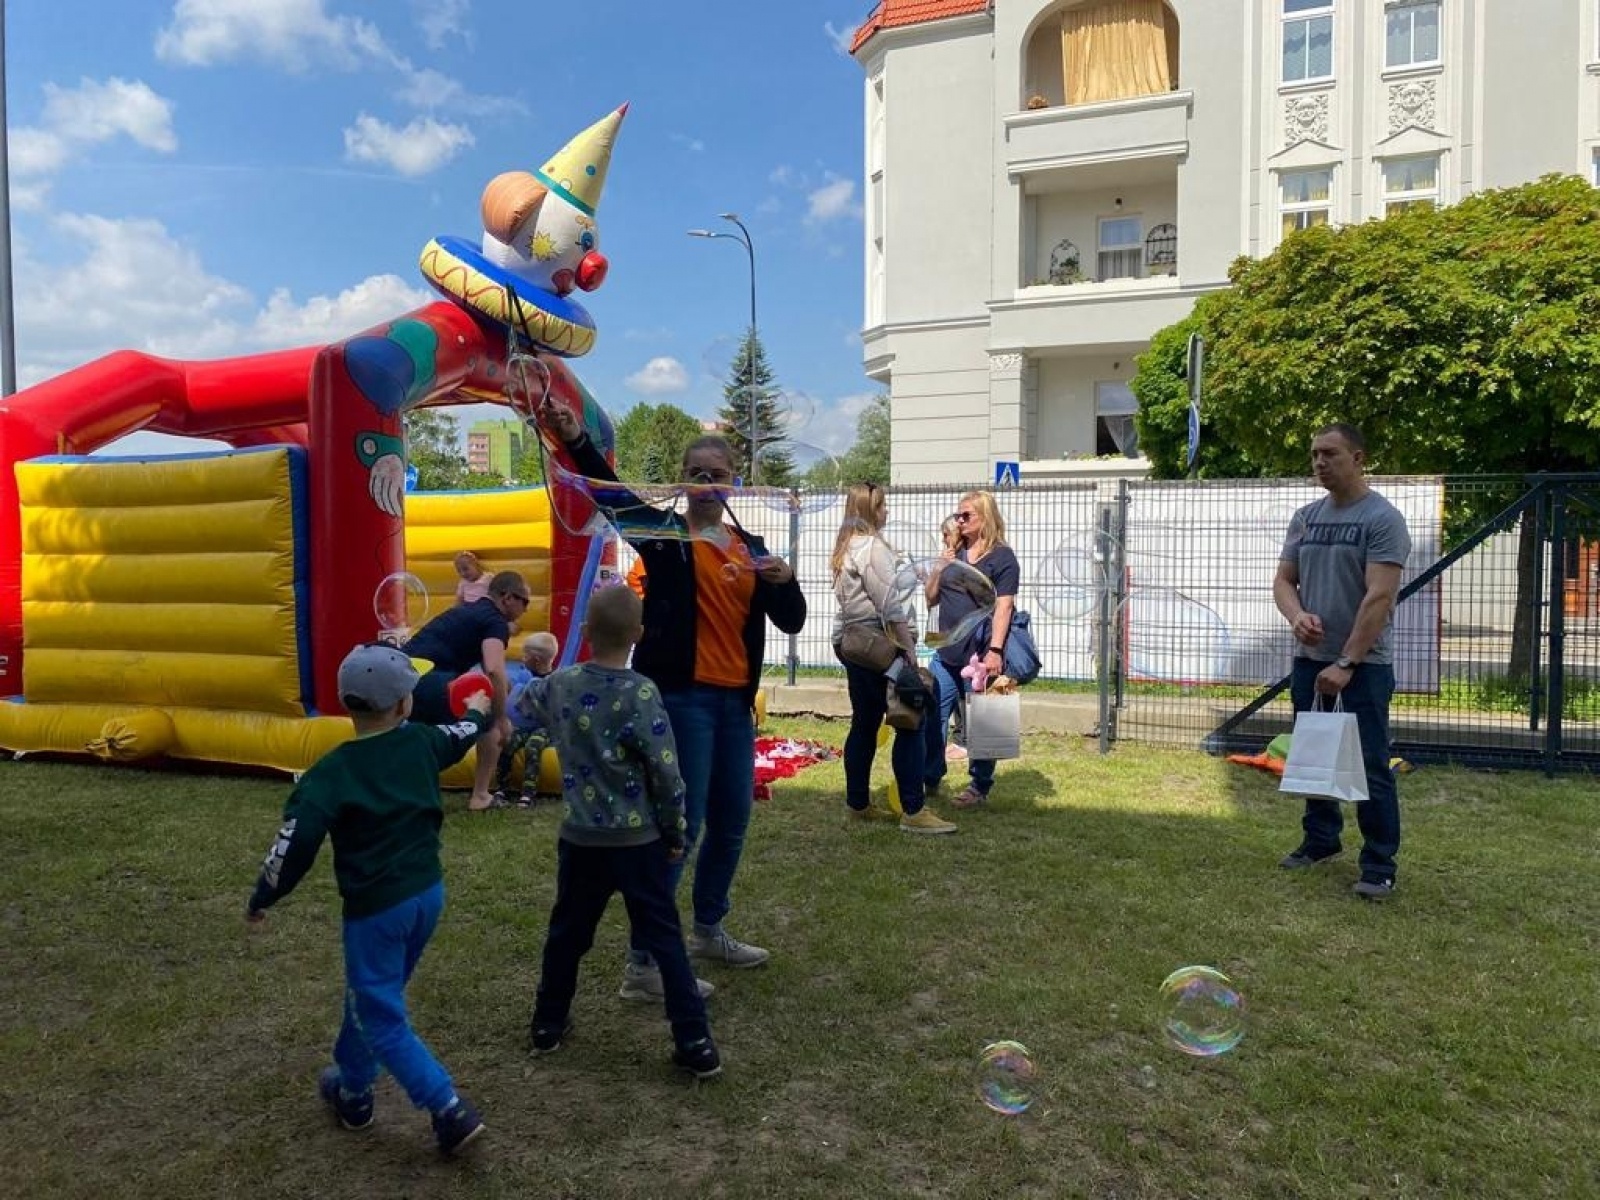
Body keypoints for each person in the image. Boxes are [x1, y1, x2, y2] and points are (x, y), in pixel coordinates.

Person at [539, 394, 807, 979]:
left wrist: (785, 581)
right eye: (697, 473)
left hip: (734, 705)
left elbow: (792, 621)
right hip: (683, 701)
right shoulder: (663, 536)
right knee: (682, 824)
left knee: (732, 822)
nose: (708, 484)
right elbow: (612, 497)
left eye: (718, 474)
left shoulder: (751, 550)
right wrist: (576, 439)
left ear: (733, 483)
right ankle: (645, 961)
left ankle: (708, 930)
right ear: (683, 481)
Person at [245, 642, 493, 1155]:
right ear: (404, 704)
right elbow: (465, 733)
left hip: (377, 910)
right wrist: (476, 709)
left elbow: (293, 844)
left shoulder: (332, 773)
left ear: (346, 703)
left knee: (380, 1014)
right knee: (371, 994)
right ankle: (354, 1092)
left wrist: (265, 893)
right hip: (427, 896)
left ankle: (447, 1108)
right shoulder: (423, 740)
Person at [518, 584, 722, 1079]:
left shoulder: (561, 684)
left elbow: (524, 706)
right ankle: (694, 1041)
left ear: (586, 631)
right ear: (639, 635)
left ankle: (547, 1022)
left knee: (567, 933)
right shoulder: (642, 693)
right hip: (639, 844)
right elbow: (667, 773)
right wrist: (675, 832)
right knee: (664, 938)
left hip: (581, 840)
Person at [1273, 423, 1411, 900]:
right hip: (1311, 660)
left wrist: (1348, 662)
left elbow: (1379, 597)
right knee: (1313, 755)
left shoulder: (1382, 518)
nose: (1319, 462)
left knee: (1371, 765)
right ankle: (1320, 840)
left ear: (1358, 458)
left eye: (1330, 453)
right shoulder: (1306, 518)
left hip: (1364, 667)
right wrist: (1297, 617)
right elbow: (1284, 582)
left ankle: (1378, 864)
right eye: (1315, 454)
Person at [831, 482, 955, 834]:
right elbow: (889, 606)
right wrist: (909, 651)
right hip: (882, 647)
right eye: (882, 505)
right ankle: (914, 810)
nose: (887, 511)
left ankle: (857, 804)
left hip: (856, 646)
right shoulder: (872, 547)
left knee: (865, 724)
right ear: (870, 510)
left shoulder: (847, 546)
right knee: (910, 720)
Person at [403, 570, 532, 811]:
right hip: (428, 681)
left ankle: (410, 788)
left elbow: (494, 673)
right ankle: (481, 796)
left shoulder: (469, 611)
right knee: (488, 715)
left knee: (426, 732)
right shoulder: (495, 621)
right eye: (525, 602)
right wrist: (502, 718)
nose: (526, 609)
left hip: (404, 682)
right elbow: (493, 670)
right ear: (507, 598)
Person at [923, 491, 1019, 808]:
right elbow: (930, 598)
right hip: (946, 652)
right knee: (932, 715)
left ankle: (980, 786)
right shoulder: (955, 552)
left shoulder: (1002, 558)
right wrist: (939, 566)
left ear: (985, 517)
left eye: (966, 515)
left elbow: (1004, 606)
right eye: (958, 515)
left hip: (980, 655)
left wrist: (995, 651)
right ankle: (930, 776)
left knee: (986, 720)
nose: (959, 521)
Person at [493, 631, 559, 807]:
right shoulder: (522, 676)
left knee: (533, 745)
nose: (522, 659)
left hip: (544, 728)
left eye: (525, 655)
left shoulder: (554, 682)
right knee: (508, 742)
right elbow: (509, 693)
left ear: (536, 660)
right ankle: (502, 787)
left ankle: (528, 792)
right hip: (522, 726)